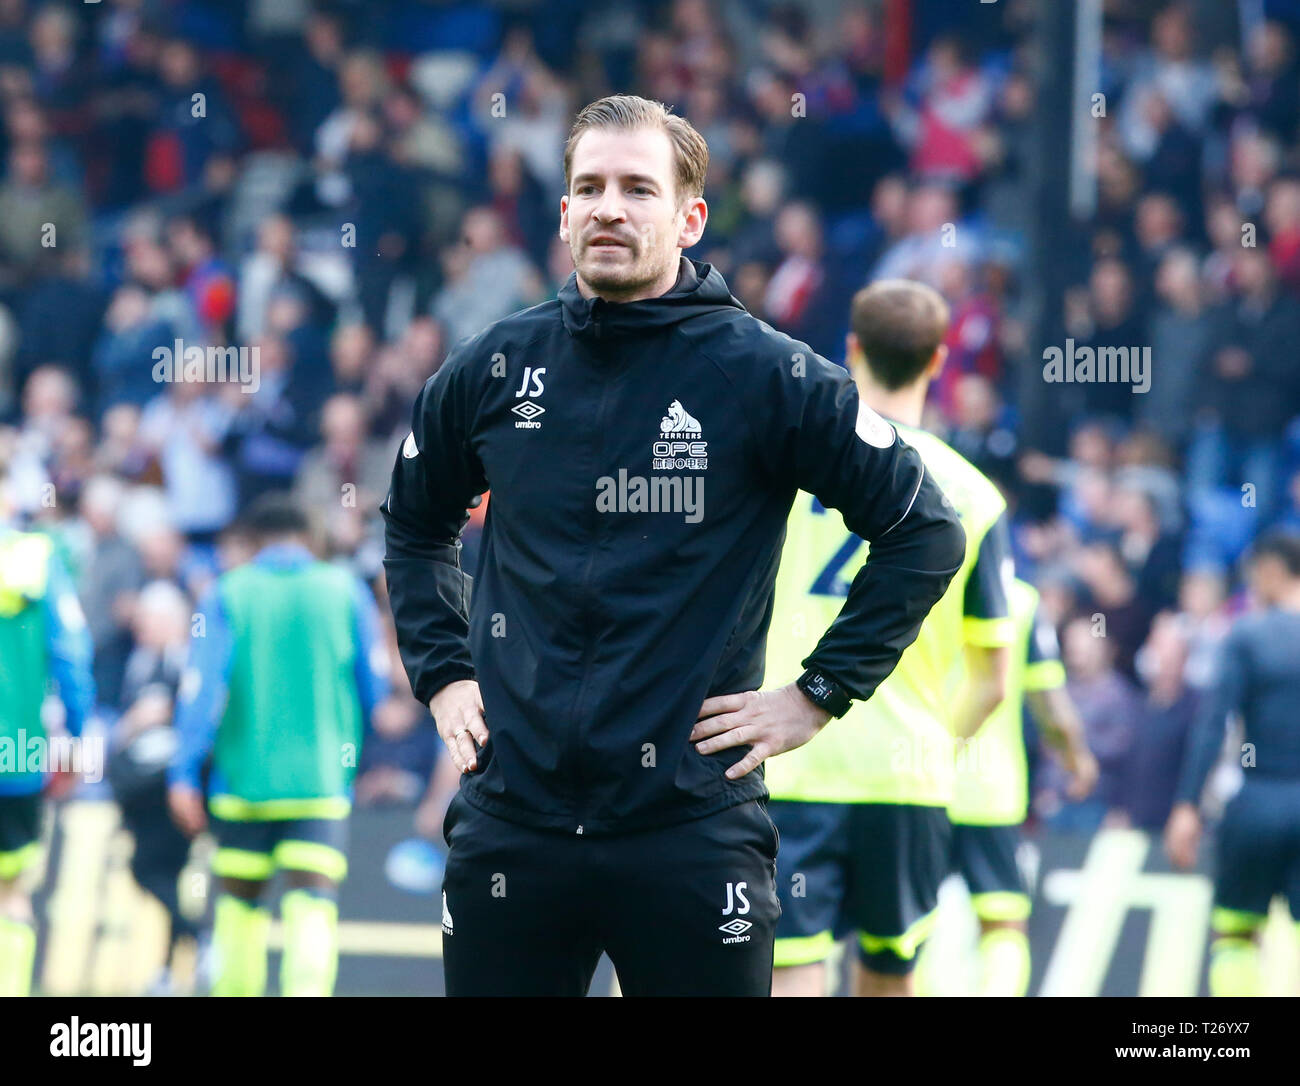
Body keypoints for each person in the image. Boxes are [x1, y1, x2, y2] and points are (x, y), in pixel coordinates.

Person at [382, 95, 965, 997]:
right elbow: (415, 522)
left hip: (690, 831)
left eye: (637, 189)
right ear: (565, 212)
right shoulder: (493, 367)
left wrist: (818, 694)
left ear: (689, 218)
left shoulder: (769, 376)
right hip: (513, 824)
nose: (610, 207)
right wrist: (444, 672)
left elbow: (924, 531)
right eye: (590, 187)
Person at [762, 279, 1015, 997]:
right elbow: (994, 679)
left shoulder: (792, 470)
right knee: (891, 974)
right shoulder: (973, 494)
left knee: (792, 966)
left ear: (852, 350)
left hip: (792, 757)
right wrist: (935, 745)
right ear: (939, 362)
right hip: (905, 775)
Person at [166, 494, 389, 996]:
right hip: (321, 783)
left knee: (239, 911)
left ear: (252, 542)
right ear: (309, 539)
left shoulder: (228, 592)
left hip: (242, 784)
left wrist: (183, 773)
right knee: (311, 905)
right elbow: (374, 691)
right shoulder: (345, 591)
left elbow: (201, 692)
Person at [943, 576, 1097, 996]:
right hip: (989, 791)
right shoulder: (1020, 601)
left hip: (913, 784)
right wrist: (1077, 759)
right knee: (1003, 921)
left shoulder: (910, 570)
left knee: (913, 924)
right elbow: (1050, 703)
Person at [1165, 531, 1300, 996]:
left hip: (1257, 802)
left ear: (1271, 569)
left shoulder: (1247, 635)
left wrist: (1186, 805)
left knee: (1236, 933)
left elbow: (1212, 724)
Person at [0, 467, 95, 997]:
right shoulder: (37, 559)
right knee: (11, 895)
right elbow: (73, 656)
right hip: (15, 757)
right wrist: (79, 738)